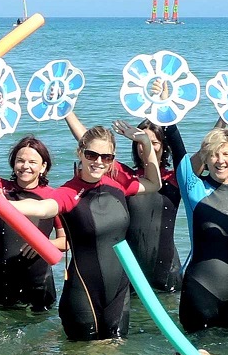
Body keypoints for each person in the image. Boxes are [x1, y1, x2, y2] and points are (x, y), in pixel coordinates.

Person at [54, 124, 163, 341]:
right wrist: (1, 203)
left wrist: (146, 143)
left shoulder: (117, 185)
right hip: (82, 291)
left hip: (119, 290)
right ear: (80, 153)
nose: (98, 161)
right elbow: (42, 207)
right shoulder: (68, 193)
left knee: (115, 353)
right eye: (91, 154)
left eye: (106, 157)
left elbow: (154, 183)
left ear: (112, 159)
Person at [68, 112, 183, 291]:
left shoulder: (177, 177)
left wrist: (165, 107)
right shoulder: (127, 177)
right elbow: (90, 145)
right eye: (140, 142)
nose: (145, 147)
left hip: (167, 270)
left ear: (163, 145)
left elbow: (203, 154)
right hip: (131, 270)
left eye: (154, 143)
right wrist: (66, 111)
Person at [177, 126, 228, 333]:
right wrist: (167, 118)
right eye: (214, 154)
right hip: (200, 290)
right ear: (205, 158)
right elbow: (180, 154)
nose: (220, 160)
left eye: (226, 153)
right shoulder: (193, 189)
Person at [0, 134, 63, 312]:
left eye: (33, 162)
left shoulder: (53, 197)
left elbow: (66, 241)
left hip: (40, 283)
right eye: (20, 160)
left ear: (43, 167)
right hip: (2, 281)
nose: (25, 166)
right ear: (13, 163)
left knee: (41, 336)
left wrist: (44, 244)